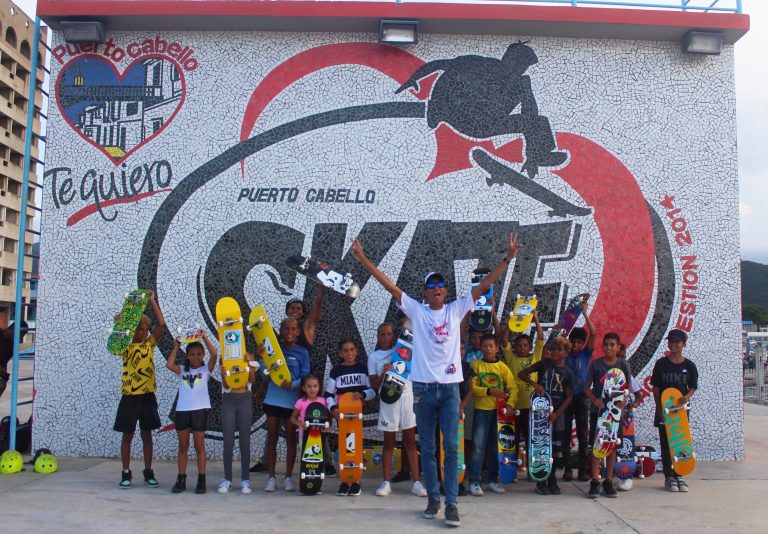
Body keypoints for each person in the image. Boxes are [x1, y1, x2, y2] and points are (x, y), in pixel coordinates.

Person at [351, 232, 521, 527]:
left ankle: (451, 504)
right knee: (427, 448)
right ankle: (433, 499)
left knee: (452, 448)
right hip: (424, 392)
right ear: (426, 292)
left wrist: (508, 258)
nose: (438, 288)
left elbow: (484, 286)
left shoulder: (456, 309)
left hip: (450, 390)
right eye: (433, 285)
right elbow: (389, 285)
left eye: (442, 284)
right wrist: (363, 259)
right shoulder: (416, 311)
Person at [251, 289, 327, 474]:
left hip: (303, 391)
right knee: (272, 436)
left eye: (299, 308)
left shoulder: (307, 329)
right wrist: (262, 383)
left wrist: (321, 286)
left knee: (310, 430)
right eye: (292, 308)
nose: (295, 310)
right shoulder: (277, 341)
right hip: (276, 395)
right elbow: (271, 369)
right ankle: (268, 468)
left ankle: (324, 463)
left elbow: (316, 312)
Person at [112, 290, 166, 489]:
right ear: (132, 331)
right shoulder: (126, 347)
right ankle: (126, 472)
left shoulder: (149, 345)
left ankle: (148, 470)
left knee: (147, 434)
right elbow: (115, 341)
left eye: (145, 329)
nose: (143, 333)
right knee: (127, 435)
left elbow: (161, 324)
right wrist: (121, 322)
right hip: (130, 396)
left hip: (147, 395)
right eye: (140, 330)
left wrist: (152, 301)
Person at [367, 323, 427, 498]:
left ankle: (416, 482)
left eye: (389, 334)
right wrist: (384, 374)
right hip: (388, 401)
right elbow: (374, 385)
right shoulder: (374, 357)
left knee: (409, 441)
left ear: (393, 335)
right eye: (382, 334)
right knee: (389, 443)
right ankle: (386, 482)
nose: (386, 337)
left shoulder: (403, 351)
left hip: (407, 398)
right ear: (378, 336)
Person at [260, 318, 311, 493]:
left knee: (291, 440)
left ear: (297, 332)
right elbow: (265, 376)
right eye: (286, 329)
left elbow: (305, 377)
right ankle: (271, 478)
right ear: (281, 331)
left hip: (292, 403)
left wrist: (293, 385)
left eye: (293, 329)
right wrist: (262, 359)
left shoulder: (303, 352)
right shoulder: (274, 350)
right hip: (273, 400)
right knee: (272, 439)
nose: (290, 332)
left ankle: (288, 477)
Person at [519, 335, 574, 495]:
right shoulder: (544, 364)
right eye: (554, 348)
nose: (555, 352)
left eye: (559, 349)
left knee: (556, 448)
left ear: (565, 353)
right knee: (541, 445)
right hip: (540, 412)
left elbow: (569, 396)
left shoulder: (568, 372)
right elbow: (522, 374)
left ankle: (552, 479)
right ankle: (541, 479)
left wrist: (557, 413)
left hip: (557, 413)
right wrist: (535, 384)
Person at [166, 333, 218, 494]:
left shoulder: (206, 369)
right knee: (183, 446)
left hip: (200, 411)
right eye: (192, 354)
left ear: (203, 355)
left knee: (199, 446)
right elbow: (169, 364)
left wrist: (204, 338)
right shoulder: (182, 370)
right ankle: (181, 478)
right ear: (187, 356)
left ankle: (201, 480)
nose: (196, 357)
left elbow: (215, 354)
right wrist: (176, 346)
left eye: (199, 354)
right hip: (182, 411)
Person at [583, 332, 632, 499]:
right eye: (606, 344)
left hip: (615, 415)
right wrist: (595, 400)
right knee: (598, 446)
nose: (609, 347)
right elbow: (586, 388)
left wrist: (624, 399)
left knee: (611, 447)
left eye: (612, 345)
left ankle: (608, 481)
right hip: (599, 413)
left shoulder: (623, 365)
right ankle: (595, 481)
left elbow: (628, 388)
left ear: (618, 347)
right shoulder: (596, 365)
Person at [326, 338, 376, 496]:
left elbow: (372, 391)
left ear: (357, 351)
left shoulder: (363, 369)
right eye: (345, 350)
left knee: (355, 446)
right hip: (342, 414)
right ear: (340, 353)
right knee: (345, 446)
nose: (349, 353)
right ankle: (344, 480)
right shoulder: (336, 371)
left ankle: (355, 481)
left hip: (357, 414)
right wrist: (332, 408)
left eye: (352, 350)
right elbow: (328, 393)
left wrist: (361, 394)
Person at [468, 333, 517, 496]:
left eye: (491, 346)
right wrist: (489, 391)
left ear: (497, 348)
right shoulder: (476, 365)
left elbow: (513, 387)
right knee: (477, 447)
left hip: (500, 414)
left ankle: (492, 480)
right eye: (485, 346)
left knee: (496, 448)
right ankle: (474, 481)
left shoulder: (503, 367)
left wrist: (510, 404)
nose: (488, 349)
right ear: (480, 348)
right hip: (482, 411)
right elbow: (472, 388)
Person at [651, 329, 698, 493]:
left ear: (683, 344)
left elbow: (693, 386)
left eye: (677, 342)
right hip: (664, 410)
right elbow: (655, 388)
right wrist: (659, 408)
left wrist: (687, 396)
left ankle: (680, 473)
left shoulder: (689, 365)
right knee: (665, 444)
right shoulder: (661, 364)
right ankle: (669, 476)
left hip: (681, 412)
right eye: (671, 341)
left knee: (680, 441)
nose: (673, 344)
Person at [500, 309, 544, 474]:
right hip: (514, 406)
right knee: (513, 438)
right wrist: (511, 322)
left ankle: (534, 469)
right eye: (519, 345)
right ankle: (511, 468)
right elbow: (504, 339)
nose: (522, 348)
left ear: (530, 347)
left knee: (532, 439)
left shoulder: (535, 358)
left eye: (525, 345)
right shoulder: (511, 358)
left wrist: (536, 318)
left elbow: (540, 338)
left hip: (532, 406)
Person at [563, 302, 596, 482]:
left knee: (583, 435)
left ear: (583, 344)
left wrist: (584, 314)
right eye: (572, 341)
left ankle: (582, 470)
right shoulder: (564, 353)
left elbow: (594, 333)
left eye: (578, 342)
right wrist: (565, 324)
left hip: (582, 397)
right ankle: (568, 469)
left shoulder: (586, 354)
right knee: (566, 434)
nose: (575, 344)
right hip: (567, 397)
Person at [218, 345, 257, 495]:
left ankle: (245, 480)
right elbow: (227, 384)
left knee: (244, 441)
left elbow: (252, 379)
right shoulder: (225, 356)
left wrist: (249, 364)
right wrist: (223, 374)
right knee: (228, 440)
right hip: (229, 399)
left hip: (245, 399)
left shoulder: (249, 355)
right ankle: (227, 478)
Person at [616, 343, 644, 492]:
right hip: (607, 414)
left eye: (624, 357)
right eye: (619, 357)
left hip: (625, 416)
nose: (622, 360)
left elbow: (639, 396)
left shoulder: (628, 376)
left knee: (625, 445)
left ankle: (625, 476)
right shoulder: (605, 371)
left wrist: (634, 403)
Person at [289, 374, 327, 440]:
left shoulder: (323, 401)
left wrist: (327, 426)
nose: (312, 389)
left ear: (319, 387)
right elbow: (292, 418)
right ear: (304, 388)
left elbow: (327, 417)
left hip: (320, 434)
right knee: (304, 450)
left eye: (315, 386)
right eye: (309, 386)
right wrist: (299, 423)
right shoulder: (300, 402)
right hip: (304, 435)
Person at [0, 320, 28, 399]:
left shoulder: (11, 346)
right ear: (13, 330)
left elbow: (3, 363)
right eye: (20, 335)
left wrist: (4, 375)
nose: (20, 339)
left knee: (2, 383)